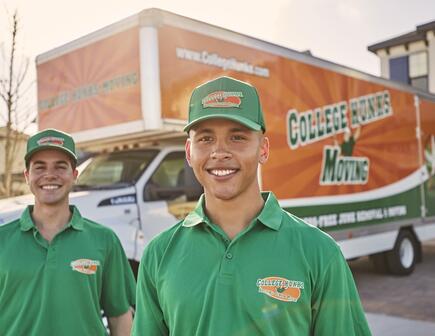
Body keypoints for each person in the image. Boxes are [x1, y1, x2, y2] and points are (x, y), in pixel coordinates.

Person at [133, 76, 371, 335]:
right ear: (189, 152)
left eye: (237, 137)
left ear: (263, 149)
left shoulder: (319, 253)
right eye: (205, 139)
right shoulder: (158, 255)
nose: (220, 151)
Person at [0, 129, 136, 336]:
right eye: (40, 167)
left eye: (60, 166)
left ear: (74, 175)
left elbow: (119, 315)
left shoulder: (104, 240)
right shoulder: (3, 240)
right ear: (27, 176)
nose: (50, 174)